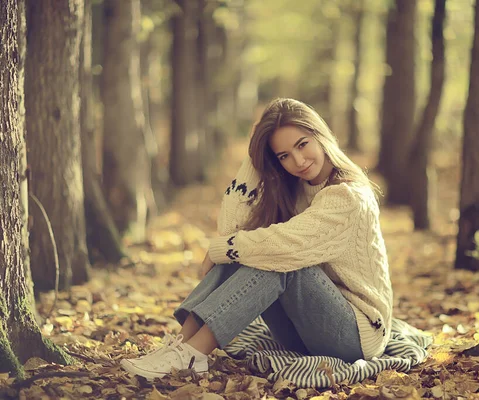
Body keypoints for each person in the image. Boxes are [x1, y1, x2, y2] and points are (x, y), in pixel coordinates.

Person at [120, 98, 394, 380]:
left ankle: (194, 354)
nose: (298, 161)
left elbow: (285, 246)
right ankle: (180, 345)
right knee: (246, 247)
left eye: (302, 144)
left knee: (276, 256)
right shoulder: (296, 188)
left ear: (320, 136)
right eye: (283, 156)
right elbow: (231, 231)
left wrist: (220, 250)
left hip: (356, 336)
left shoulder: (347, 196)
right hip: (303, 332)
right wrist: (254, 155)